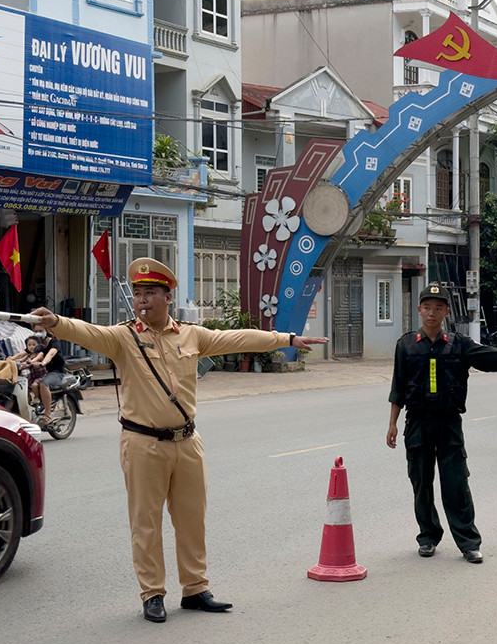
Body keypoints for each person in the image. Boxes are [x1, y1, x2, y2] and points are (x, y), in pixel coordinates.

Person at [31, 257, 327, 623]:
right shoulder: (124, 337)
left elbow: (236, 339)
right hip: (143, 443)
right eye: (138, 294)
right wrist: (56, 323)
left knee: (192, 520)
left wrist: (286, 339)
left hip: (187, 442)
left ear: (167, 297)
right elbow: (87, 332)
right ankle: (152, 593)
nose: (143, 300)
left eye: (150, 293)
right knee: (146, 523)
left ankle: (195, 588)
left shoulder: (191, 335)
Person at [386, 282, 497, 563]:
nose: (431, 313)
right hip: (417, 424)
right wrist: (392, 423)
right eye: (427, 307)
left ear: (446, 312)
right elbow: (398, 387)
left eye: (438, 308)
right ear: (419, 310)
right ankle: (427, 536)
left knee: (456, 484)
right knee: (421, 483)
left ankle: (468, 542)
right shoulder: (405, 345)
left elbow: (496, 358)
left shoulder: (459, 344)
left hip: (448, 424)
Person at [9, 335, 50, 425]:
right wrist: (12, 360)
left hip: (41, 375)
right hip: (32, 375)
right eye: (29, 345)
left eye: (34, 345)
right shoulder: (28, 355)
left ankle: (37, 398)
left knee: (34, 385)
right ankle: (28, 399)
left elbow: (36, 360)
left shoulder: (40, 354)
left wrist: (32, 362)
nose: (31, 347)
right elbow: (20, 359)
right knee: (21, 386)